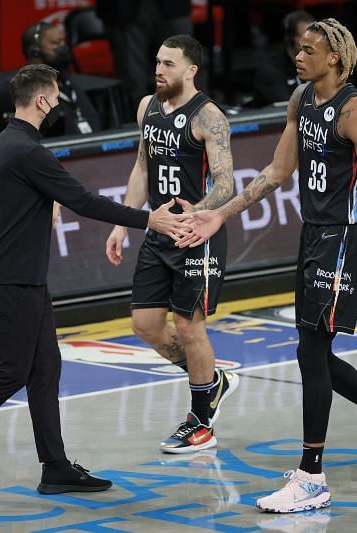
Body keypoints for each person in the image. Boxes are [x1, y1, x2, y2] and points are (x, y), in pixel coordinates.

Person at [178, 19, 357, 512]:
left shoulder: (356, 112)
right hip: (313, 235)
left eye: (308, 50)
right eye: (298, 49)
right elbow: (277, 171)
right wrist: (218, 215)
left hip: (345, 238)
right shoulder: (301, 99)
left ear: (334, 57)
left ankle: (312, 476)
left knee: (312, 350)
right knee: (309, 353)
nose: (298, 57)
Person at [0, 64, 189, 496]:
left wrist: (47, 204)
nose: (60, 101)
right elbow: (83, 200)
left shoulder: (7, 144)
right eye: (56, 95)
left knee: (45, 369)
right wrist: (147, 218)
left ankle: (55, 467)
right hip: (12, 280)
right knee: (11, 372)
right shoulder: (28, 151)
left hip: (22, 278)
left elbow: (30, 197)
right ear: (41, 100)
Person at [105, 34, 238, 454]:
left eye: (169, 64)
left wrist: (199, 213)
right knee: (144, 325)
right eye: (157, 62)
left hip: (197, 235)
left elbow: (226, 182)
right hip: (159, 232)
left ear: (191, 70)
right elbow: (142, 167)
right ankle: (210, 380)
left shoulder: (209, 116)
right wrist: (123, 223)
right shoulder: (147, 106)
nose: (159, 70)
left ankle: (201, 421)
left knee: (187, 325)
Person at [0, 21, 102, 143]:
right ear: (35, 52)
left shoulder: (68, 86)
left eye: (63, 42)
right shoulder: (11, 92)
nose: (63, 48)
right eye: (55, 43)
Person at [96, 0, 192, 112]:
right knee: (133, 83)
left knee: (180, 77)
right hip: (125, 10)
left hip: (172, 8)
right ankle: (139, 124)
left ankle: (182, 123)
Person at [252, 10, 315, 107]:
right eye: (305, 36)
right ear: (289, 39)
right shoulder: (270, 71)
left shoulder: (319, 62)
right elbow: (288, 109)